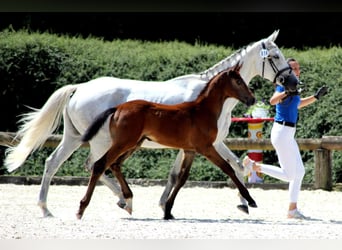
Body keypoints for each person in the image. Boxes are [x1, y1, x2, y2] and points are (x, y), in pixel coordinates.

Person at [242, 58, 328, 219]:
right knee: (289, 175)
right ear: (287, 70)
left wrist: (316, 97)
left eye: (298, 68)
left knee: (300, 172)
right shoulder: (283, 85)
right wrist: (287, 92)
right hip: (281, 132)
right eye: (294, 68)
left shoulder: (294, 87)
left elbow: (297, 104)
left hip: (288, 133)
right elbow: (273, 101)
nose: (297, 71)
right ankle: (253, 166)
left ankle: (292, 210)